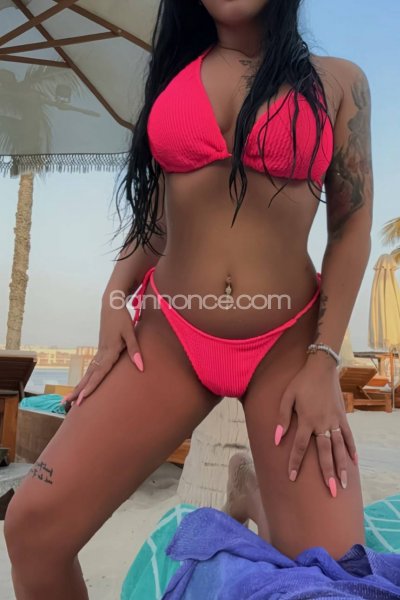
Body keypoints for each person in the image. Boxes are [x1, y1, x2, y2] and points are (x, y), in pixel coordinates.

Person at [4, 1, 373, 598]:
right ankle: (254, 493)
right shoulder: (175, 77)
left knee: (333, 580)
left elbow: (350, 228)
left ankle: (254, 492)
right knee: (31, 528)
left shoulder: (338, 81)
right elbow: (160, 213)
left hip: (289, 342)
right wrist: (114, 293)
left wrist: (324, 360)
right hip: (169, 335)